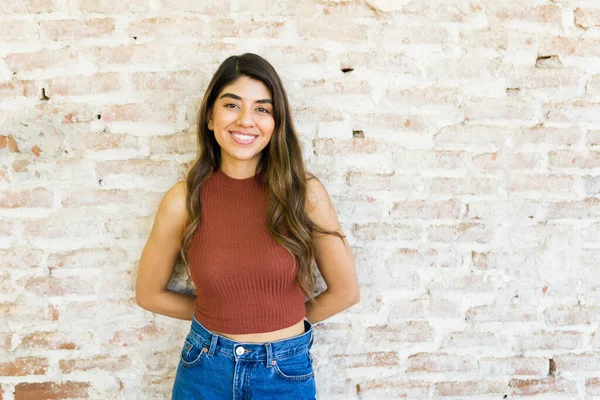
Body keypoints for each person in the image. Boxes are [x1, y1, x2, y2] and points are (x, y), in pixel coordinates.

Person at [135, 53, 360, 399]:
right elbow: (149, 294)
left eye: (262, 109)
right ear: (210, 117)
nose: (246, 121)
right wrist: (222, 314)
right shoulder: (182, 200)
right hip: (205, 371)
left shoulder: (305, 194)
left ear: (276, 122)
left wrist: (280, 329)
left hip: (284, 372)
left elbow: (345, 292)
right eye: (231, 105)